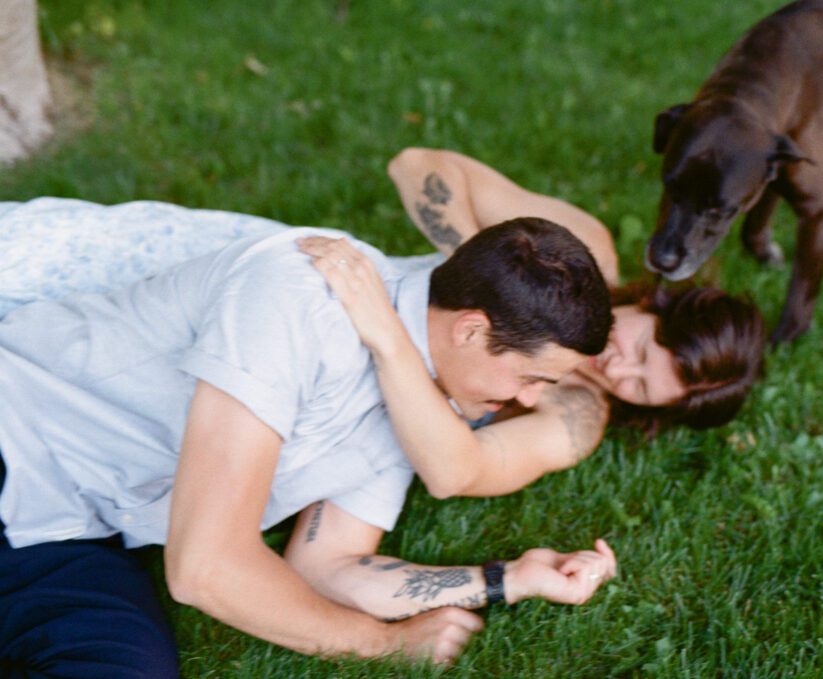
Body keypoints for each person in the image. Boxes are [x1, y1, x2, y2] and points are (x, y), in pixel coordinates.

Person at [0, 205, 619, 676]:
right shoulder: (302, 298)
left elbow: (326, 565)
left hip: (65, 528)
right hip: (16, 434)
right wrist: (379, 643)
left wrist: (508, 578)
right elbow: (205, 567)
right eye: (532, 377)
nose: (530, 400)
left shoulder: (420, 402)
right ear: (471, 329)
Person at [294, 147, 766, 499]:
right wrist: (492, 272)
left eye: (639, 389)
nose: (618, 372)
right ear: (650, 303)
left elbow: (456, 473)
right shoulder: (581, 252)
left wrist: (390, 342)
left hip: (344, 406)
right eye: (640, 351)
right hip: (326, 298)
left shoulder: (576, 416)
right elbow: (417, 165)